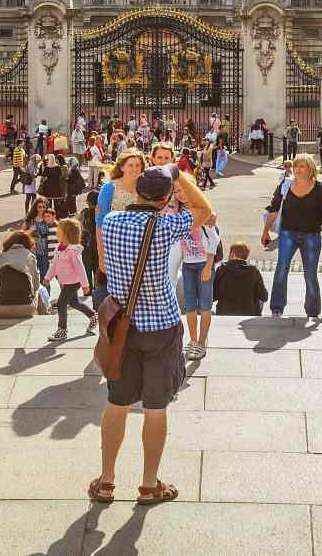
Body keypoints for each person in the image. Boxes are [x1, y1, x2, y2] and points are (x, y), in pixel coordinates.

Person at [90, 166, 213, 506]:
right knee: (156, 408)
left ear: (139, 193)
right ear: (165, 198)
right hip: (161, 326)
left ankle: (107, 479)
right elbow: (205, 211)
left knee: (117, 403)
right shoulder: (167, 225)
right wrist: (179, 175)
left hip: (122, 328)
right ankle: (148, 484)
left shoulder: (113, 222)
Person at [261, 154, 322, 320]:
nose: (297, 169)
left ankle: (313, 311)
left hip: (311, 235)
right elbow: (274, 208)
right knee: (281, 269)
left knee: (310, 274)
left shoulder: (320, 189)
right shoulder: (285, 185)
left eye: (302, 166)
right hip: (288, 233)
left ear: (310, 169)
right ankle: (277, 308)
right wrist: (266, 231)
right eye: (296, 166)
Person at [179, 215, 220, 355]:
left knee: (205, 305)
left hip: (204, 263)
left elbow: (214, 240)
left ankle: (202, 342)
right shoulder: (179, 215)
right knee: (189, 305)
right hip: (187, 265)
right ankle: (193, 341)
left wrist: (208, 266)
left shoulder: (204, 214)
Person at [49, 218, 94, 339]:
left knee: (61, 304)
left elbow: (80, 268)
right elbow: (54, 264)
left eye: (59, 231)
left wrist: (85, 285)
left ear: (66, 234)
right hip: (65, 281)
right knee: (74, 303)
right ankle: (93, 316)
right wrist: (48, 277)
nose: (57, 232)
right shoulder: (59, 247)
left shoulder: (73, 251)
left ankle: (62, 330)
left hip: (73, 282)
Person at [0, 230, 42, 318]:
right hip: (26, 309)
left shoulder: (2, 255)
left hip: (1, 310)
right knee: (40, 290)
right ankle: (45, 313)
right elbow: (36, 286)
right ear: (28, 243)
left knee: (3, 290)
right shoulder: (30, 257)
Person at [212, 241, 267, 314]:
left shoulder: (221, 269)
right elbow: (264, 297)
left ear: (232, 254)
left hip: (224, 312)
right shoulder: (254, 271)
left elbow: (213, 296)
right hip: (249, 313)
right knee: (260, 297)